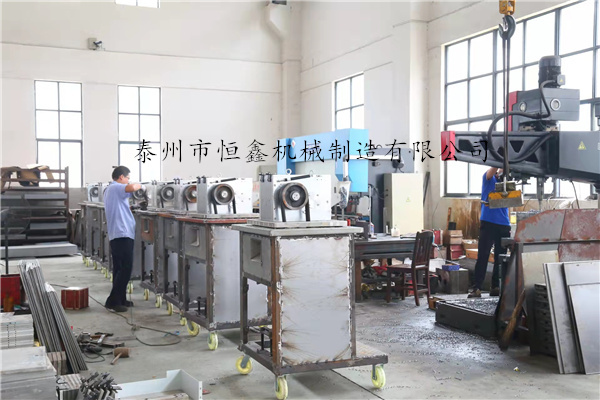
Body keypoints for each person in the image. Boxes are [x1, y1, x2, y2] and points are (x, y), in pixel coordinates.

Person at [104, 166, 142, 312]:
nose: (128, 181)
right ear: (121, 177)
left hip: (118, 233)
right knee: (126, 268)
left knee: (119, 268)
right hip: (122, 233)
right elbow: (132, 188)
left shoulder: (110, 190)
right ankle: (112, 301)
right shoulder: (116, 187)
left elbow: (122, 205)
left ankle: (120, 299)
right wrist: (142, 185)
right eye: (127, 178)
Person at [468, 167, 511, 298]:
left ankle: (496, 287)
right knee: (483, 256)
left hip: (504, 224)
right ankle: (477, 288)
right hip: (488, 222)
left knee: (500, 257)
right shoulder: (489, 179)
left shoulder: (507, 184)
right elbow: (491, 171)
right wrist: (500, 161)